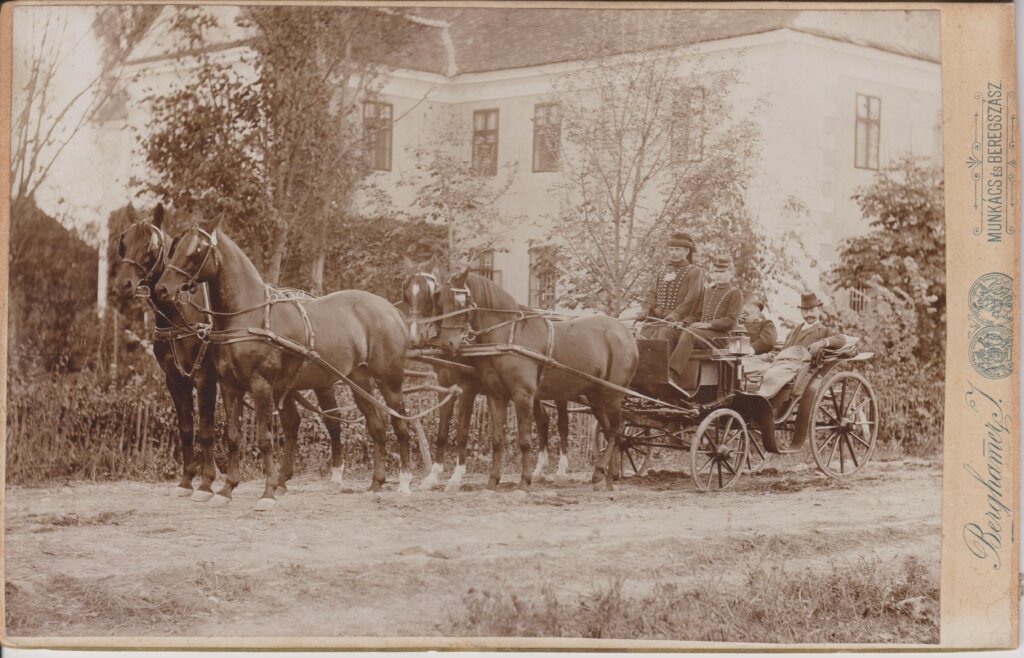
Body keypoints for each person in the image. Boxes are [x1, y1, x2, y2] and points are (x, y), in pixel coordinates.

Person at [750, 291, 845, 399]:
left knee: (771, 375)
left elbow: (841, 339)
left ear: (819, 310)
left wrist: (823, 342)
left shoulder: (824, 331)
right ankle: (749, 392)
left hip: (798, 369)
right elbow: (784, 350)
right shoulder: (794, 332)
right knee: (753, 366)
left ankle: (758, 396)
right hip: (781, 362)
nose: (808, 315)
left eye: (812, 310)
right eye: (804, 311)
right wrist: (772, 355)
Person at [667, 254, 743, 389]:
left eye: (722, 272)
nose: (717, 275)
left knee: (690, 333)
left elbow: (731, 321)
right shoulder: (708, 291)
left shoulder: (735, 293)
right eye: (715, 272)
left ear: (731, 273)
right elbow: (698, 314)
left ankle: (672, 374)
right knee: (671, 332)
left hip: (721, 337)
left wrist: (709, 324)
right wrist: (683, 323)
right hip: (703, 334)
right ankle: (662, 371)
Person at [639, 232, 704, 341]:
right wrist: (645, 309)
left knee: (661, 338)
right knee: (639, 339)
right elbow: (652, 294)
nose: (673, 253)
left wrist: (676, 314)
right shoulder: (662, 271)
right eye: (671, 249)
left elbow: (691, 299)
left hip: (678, 321)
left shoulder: (695, 272)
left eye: (677, 249)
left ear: (687, 251)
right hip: (655, 319)